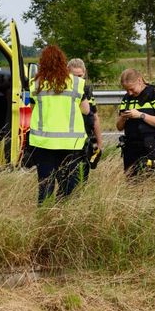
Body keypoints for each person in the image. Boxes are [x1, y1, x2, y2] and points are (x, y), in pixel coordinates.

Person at [29, 46, 90, 205]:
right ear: (63, 62)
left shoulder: (35, 84)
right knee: (69, 187)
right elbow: (85, 110)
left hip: (44, 144)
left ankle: (45, 218)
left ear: (42, 63)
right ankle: (66, 218)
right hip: (70, 144)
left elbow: (33, 109)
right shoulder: (76, 83)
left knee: (45, 186)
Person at [115, 68, 155, 176]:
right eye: (126, 90)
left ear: (139, 81)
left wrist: (140, 115)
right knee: (132, 185)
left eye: (131, 89)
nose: (129, 93)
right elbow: (119, 127)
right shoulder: (127, 98)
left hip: (151, 149)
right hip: (131, 149)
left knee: (151, 182)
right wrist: (123, 118)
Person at [67, 58, 103, 180]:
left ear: (85, 73)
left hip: (85, 140)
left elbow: (95, 118)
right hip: (68, 141)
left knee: (83, 177)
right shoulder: (64, 91)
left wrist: (100, 143)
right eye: (74, 76)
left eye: (80, 76)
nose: (78, 79)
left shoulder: (87, 91)